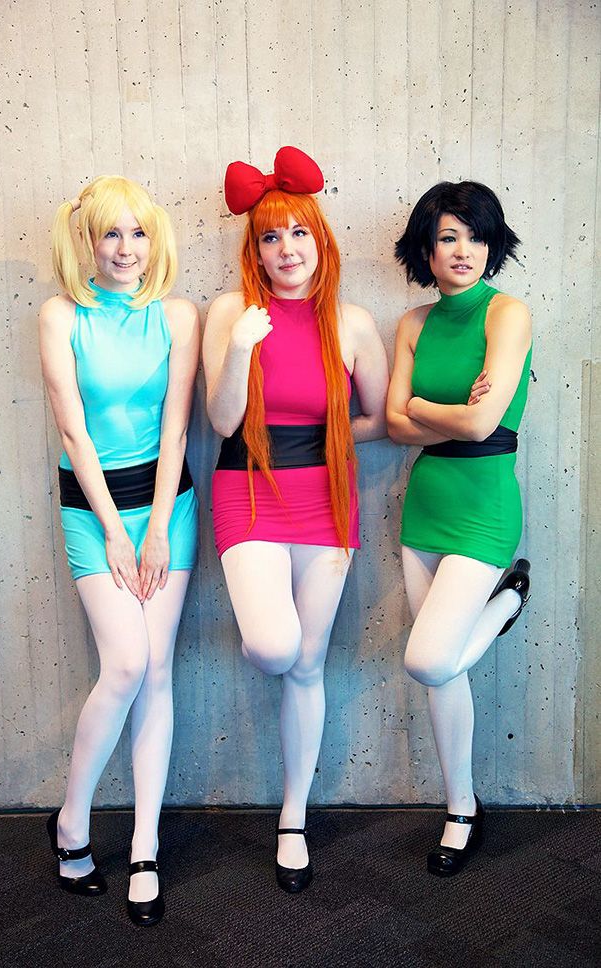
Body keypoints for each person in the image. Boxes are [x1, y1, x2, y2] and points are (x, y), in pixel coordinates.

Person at [203, 146, 389, 892]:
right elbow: (219, 423)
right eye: (269, 237)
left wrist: (333, 436)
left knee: (308, 666)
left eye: (297, 234)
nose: (285, 250)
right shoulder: (229, 314)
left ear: (321, 239)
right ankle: (289, 811)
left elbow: (378, 416)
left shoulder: (351, 322)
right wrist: (239, 351)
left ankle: (292, 817)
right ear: (254, 250)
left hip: (326, 498)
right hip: (245, 491)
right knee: (276, 647)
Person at [39, 175, 199, 924]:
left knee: (157, 671)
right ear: (87, 240)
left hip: (168, 506)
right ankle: (71, 824)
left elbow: (175, 429)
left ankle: (143, 846)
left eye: (137, 233)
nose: (125, 249)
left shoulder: (177, 314)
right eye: (110, 233)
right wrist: (112, 530)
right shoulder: (59, 316)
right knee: (127, 664)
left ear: (154, 239)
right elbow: (73, 432)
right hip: (92, 510)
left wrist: (160, 526)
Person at [387, 180, 532, 876]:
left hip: (483, 504)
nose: (463, 250)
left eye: (474, 236)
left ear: (491, 243)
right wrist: (420, 407)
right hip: (426, 502)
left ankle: (506, 600)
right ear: (426, 247)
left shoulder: (507, 315)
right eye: (447, 237)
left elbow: (482, 424)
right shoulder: (411, 322)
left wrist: (419, 403)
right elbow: (390, 423)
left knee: (428, 657)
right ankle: (460, 807)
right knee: (441, 677)